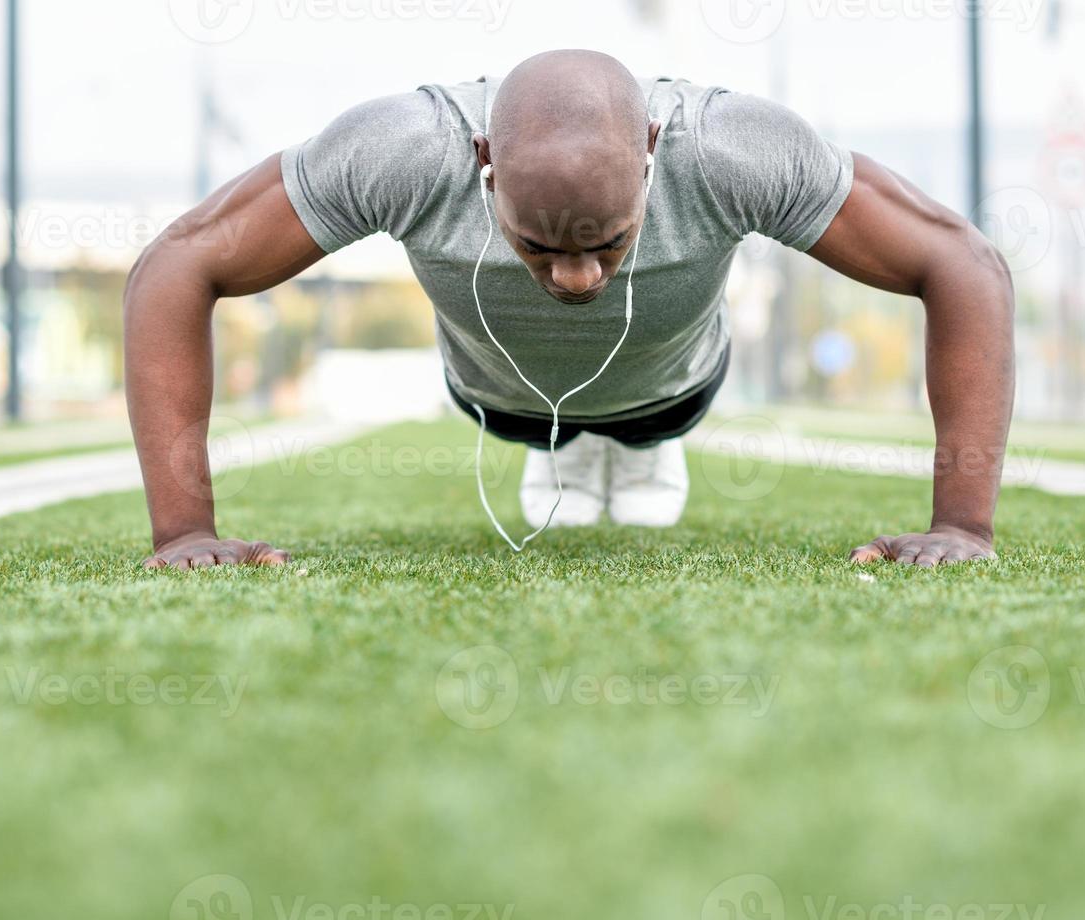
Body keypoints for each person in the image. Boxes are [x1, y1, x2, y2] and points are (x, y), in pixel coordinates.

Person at [124, 49, 1014, 570]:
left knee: (639, 431)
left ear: (655, 153)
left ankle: (637, 450)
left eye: (608, 243)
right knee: (545, 434)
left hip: (674, 386)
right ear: (482, 162)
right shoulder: (403, 151)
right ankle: (565, 454)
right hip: (499, 400)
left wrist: (959, 526)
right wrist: (186, 532)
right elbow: (175, 266)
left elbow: (962, 262)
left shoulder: (732, 149)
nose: (578, 280)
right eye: (540, 247)